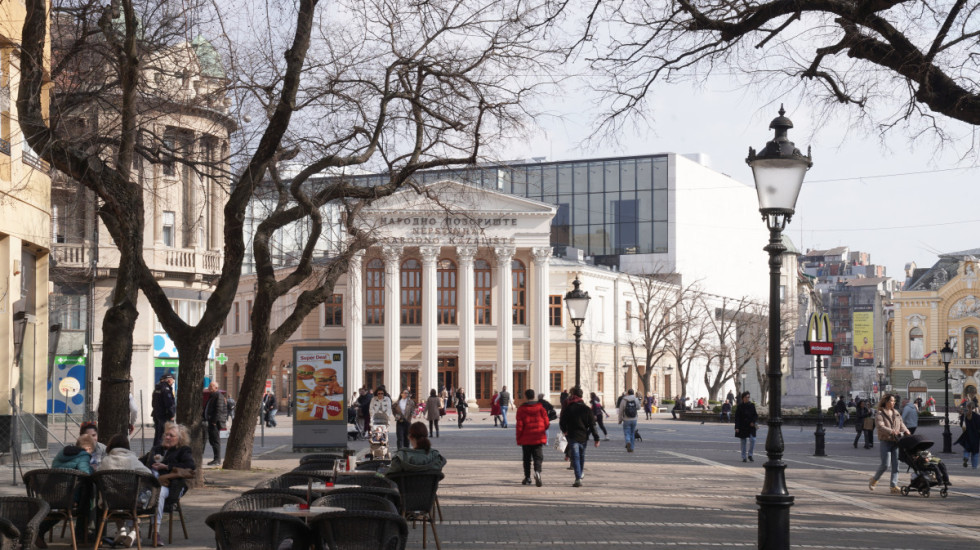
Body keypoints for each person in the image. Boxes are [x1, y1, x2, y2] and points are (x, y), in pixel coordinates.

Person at [143, 422, 195, 546]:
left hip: (171, 486)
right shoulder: (157, 449)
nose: (167, 437)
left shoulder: (183, 450)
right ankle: (132, 531)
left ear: (180, 439)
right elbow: (144, 462)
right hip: (152, 483)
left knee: (158, 492)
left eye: (171, 435)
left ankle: (156, 532)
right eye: (166, 435)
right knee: (136, 492)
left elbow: (190, 466)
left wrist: (167, 466)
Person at [99, 434, 153, 548]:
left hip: (110, 502)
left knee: (116, 498)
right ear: (127, 446)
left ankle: (121, 530)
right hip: (131, 501)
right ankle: (134, 531)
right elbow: (148, 473)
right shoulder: (132, 460)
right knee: (138, 498)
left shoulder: (105, 461)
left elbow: (97, 474)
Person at [558, 387, 600, 487]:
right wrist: (596, 438)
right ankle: (579, 474)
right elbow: (592, 425)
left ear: (573, 395)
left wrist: (564, 431)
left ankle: (578, 477)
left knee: (576, 456)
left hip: (572, 435)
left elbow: (562, 421)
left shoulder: (569, 408)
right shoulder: (587, 409)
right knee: (581, 456)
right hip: (583, 436)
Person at [869, 394, 911, 494]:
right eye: (892, 401)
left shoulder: (896, 412)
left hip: (896, 442)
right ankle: (874, 479)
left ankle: (893, 486)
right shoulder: (880, 413)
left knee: (896, 465)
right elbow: (880, 426)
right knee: (885, 464)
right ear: (886, 401)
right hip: (886, 441)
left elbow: (901, 423)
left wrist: (906, 430)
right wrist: (891, 431)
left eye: (894, 401)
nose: (894, 402)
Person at [515, 388, 549, 487]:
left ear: (525, 396)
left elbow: (519, 426)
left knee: (527, 459)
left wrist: (518, 438)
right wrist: (542, 429)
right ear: (534, 396)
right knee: (538, 457)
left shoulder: (521, 409)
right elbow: (546, 423)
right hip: (538, 436)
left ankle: (528, 478)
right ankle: (537, 472)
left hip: (526, 438)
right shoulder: (541, 408)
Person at [204, 381, 229, 465]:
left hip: (215, 422)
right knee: (212, 440)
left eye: (211, 386)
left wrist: (214, 421)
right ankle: (215, 459)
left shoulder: (218, 396)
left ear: (216, 388)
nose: (209, 387)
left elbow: (219, 409)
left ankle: (217, 460)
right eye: (209, 386)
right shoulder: (212, 396)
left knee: (215, 440)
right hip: (211, 421)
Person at [150, 373, 176, 447]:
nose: (172, 383)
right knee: (164, 435)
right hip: (165, 416)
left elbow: (153, 403)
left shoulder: (157, 388)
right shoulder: (166, 389)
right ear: (169, 380)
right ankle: (160, 451)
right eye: (172, 381)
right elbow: (169, 404)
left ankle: (155, 450)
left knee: (158, 435)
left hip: (156, 414)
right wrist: (172, 414)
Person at [955, 400, 980, 468]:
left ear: (967, 407)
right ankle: (974, 466)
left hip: (967, 435)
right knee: (975, 452)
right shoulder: (977, 416)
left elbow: (961, 425)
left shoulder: (964, 416)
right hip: (975, 436)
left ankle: (966, 457)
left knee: (967, 448)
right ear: (973, 407)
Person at [734, 391, 757, 462]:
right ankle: (744, 457)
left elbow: (755, 415)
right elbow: (737, 417)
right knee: (743, 441)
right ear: (743, 398)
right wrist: (737, 427)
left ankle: (750, 454)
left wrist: (753, 422)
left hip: (751, 425)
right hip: (742, 426)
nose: (748, 398)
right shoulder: (740, 406)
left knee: (753, 439)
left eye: (748, 397)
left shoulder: (752, 405)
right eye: (746, 397)